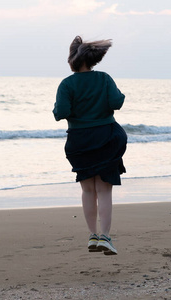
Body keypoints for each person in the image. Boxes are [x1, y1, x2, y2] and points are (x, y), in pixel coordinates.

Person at [53, 36, 127, 256]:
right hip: (106, 136)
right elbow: (117, 103)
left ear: (72, 59)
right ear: (93, 59)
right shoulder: (104, 79)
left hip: (79, 140)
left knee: (87, 190)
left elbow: (61, 113)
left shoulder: (66, 84)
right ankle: (105, 237)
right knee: (104, 190)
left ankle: (92, 236)